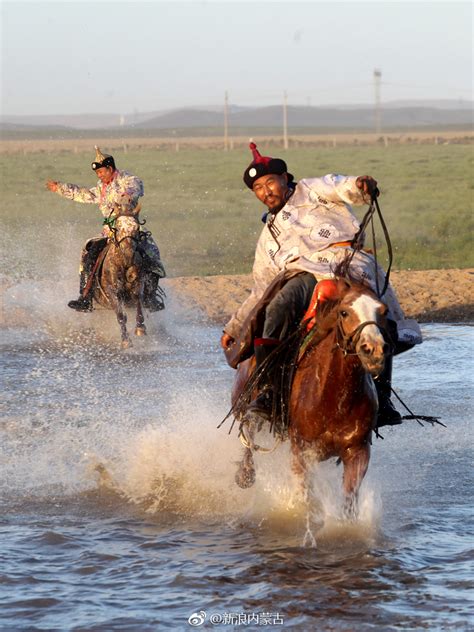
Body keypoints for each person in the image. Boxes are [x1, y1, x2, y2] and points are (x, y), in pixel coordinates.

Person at [220, 142, 422, 428]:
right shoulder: (268, 237)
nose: (266, 192)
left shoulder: (311, 189)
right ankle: (269, 392)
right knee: (276, 306)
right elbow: (260, 287)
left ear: (284, 178)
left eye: (270, 183)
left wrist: (360, 185)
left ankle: (382, 397)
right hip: (304, 273)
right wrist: (234, 326)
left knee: (376, 316)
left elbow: (341, 186)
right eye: (258, 189)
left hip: (348, 264)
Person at [46, 146, 165, 312]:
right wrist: (61, 188)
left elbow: (136, 186)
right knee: (88, 253)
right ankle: (85, 296)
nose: (99, 176)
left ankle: (151, 296)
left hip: (128, 226)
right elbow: (84, 194)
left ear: (110, 168)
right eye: (97, 174)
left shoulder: (126, 179)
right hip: (109, 231)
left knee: (151, 253)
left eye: (101, 172)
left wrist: (126, 196)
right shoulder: (101, 188)